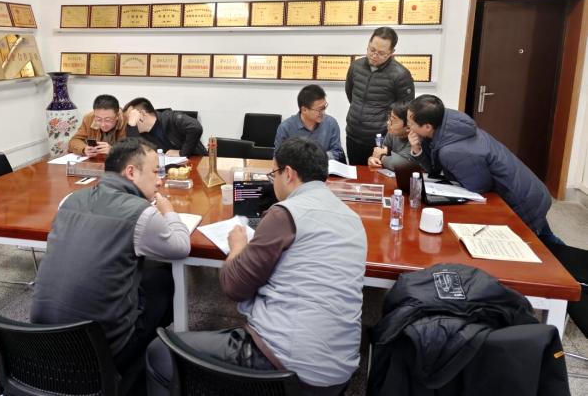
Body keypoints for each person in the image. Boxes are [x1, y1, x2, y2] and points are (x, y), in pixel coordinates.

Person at [146, 137, 367, 395]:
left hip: (286, 367)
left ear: (288, 174)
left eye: (274, 174)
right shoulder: (354, 220)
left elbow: (234, 287)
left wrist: (238, 247)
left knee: (159, 352)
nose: (273, 181)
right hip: (340, 374)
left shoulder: (286, 212)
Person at [30, 137, 191, 389]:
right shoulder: (141, 213)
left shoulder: (69, 200)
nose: (159, 180)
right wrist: (169, 211)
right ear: (131, 172)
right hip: (102, 347)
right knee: (163, 281)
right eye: (154, 172)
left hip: (39, 338)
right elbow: (181, 247)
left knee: (146, 274)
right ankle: (143, 364)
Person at [407, 94, 563, 245]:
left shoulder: (452, 150)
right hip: (527, 191)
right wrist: (417, 148)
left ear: (427, 127)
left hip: (522, 200)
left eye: (411, 122)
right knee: (546, 238)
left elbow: (478, 187)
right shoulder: (445, 124)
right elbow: (434, 168)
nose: (408, 126)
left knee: (540, 245)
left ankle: (569, 260)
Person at [345, 27, 415, 166]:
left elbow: (404, 110)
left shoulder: (401, 75)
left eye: (381, 53)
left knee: (378, 176)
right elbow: (350, 94)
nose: (374, 55)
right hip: (353, 134)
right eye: (372, 50)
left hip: (380, 139)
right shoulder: (356, 66)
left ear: (392, 53)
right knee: (355, 174)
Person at [274, 84, 346, 163]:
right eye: (319, 109)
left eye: (324, 107)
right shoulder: (286, 128)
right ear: (304, 110)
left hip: (323, 168)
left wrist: (315, 158)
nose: (323, 112)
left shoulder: (331, 124)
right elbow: (278, 157)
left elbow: (337, 152)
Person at [123, 97, 207, 156]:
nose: (129, 122)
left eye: (131, 117)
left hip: (196, 162)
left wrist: (182, 153)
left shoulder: (170, 118)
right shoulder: (140, 135)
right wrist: (132, 126)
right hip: (168, 171)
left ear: (142, 114)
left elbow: (195, 128)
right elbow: (134, 154)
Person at [368, 101, 429, 172]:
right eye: (389, 119)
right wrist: (372, 159)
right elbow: (379, 152)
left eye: (393, 120)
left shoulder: (415, 139)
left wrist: (381, 156)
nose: (388, 122)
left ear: (408, 127)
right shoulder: (392, 133)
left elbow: (399, 165)